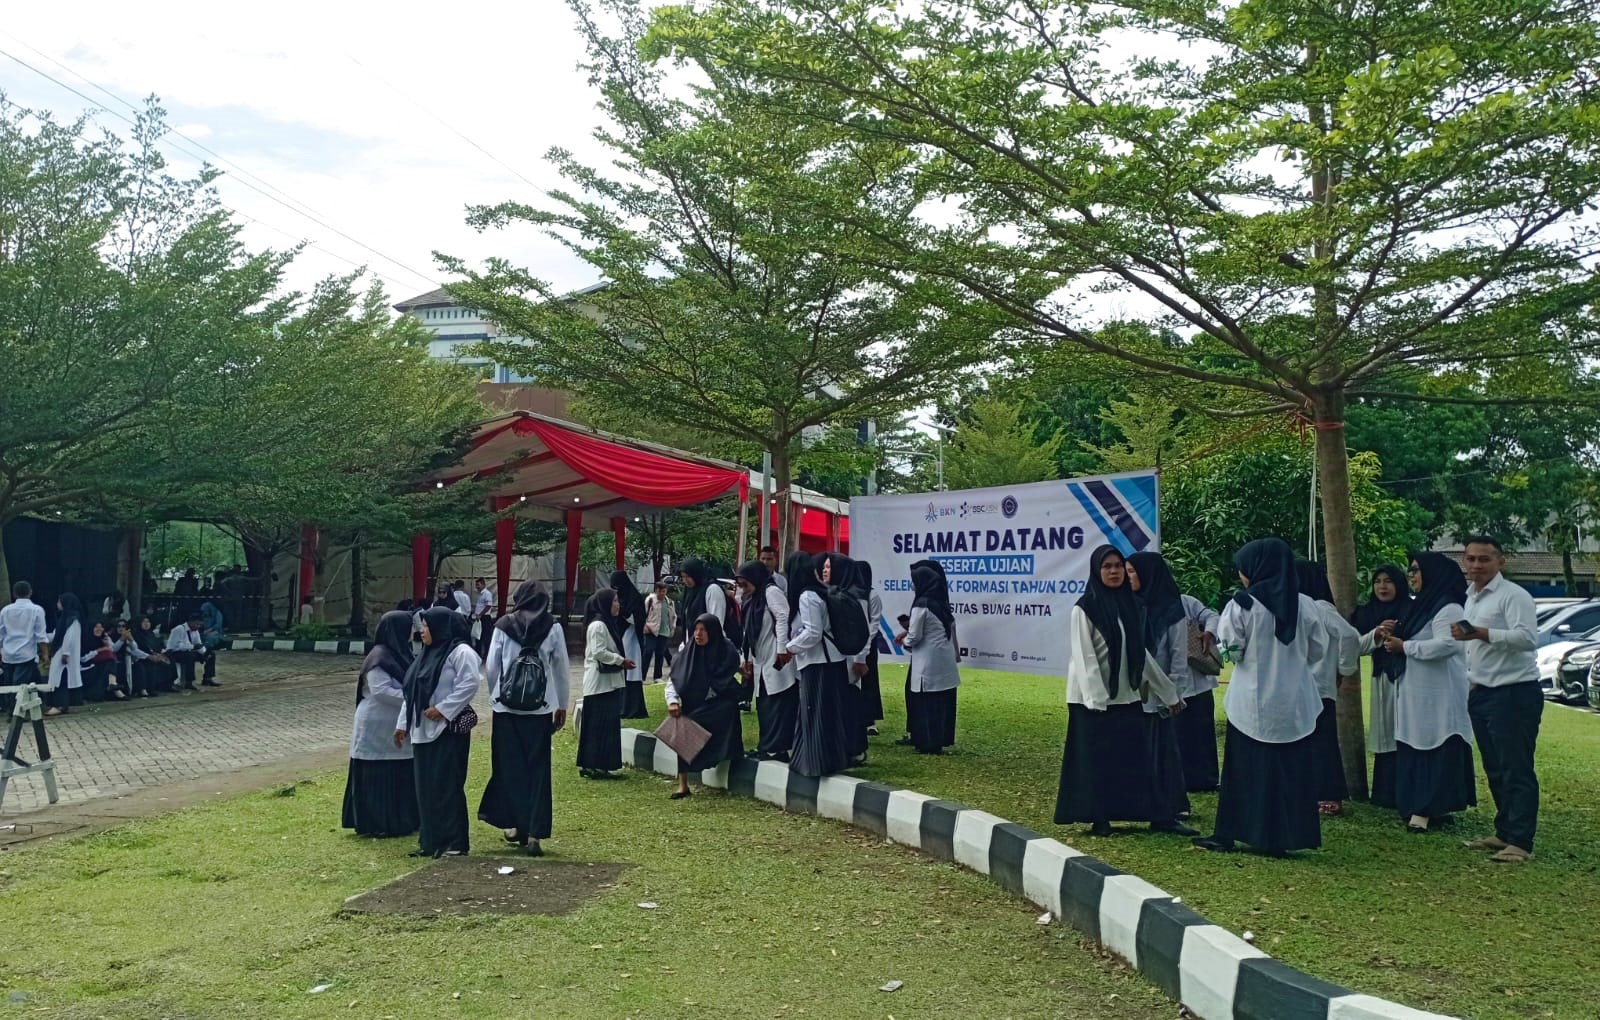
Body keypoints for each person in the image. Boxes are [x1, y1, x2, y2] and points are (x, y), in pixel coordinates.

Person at [1193, 538, 1328, 856]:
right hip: (1294, 701)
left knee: (1243, 771)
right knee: (1290, 771)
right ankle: (1284, 837)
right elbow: (1319, 650)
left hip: (1252, 702)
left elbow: (1232, 652)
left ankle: (1230, 833)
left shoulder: (1242, 604)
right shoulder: (1306, 604)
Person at [1054, 546, 1190, 837]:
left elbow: (1139, 656)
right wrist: (1096, 699)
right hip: (1092, 701)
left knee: (1136, 759)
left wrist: (1168, 693)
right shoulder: (1085, 607)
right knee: (1096, 762)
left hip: (1125, 696)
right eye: (1108, 567)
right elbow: (1085, 656)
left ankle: (1159, 816)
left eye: (1118, 566)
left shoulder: (1129, 604)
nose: (1115, 572)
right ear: (1096, 571)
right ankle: (1099, 818)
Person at [1379, 553, 1476, 833]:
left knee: (1437, 745)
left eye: (1417, 571)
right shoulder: (1422, 606)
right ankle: (1422, 806)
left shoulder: (1450, 608)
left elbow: (1449, 645)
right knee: (1416, 744)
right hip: (1416, 691)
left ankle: (1424, 810)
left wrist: (1405, 647)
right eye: (1410, 571)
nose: (1412, 576)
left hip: (1439, 693)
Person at [1458, 536, 1541, 864]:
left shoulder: (1513, 596)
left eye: (1484, 559)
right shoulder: (1472, 597)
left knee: (1515, 766)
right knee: (1495, 766)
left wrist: (1480, 632)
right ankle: (1504, 831)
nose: (1476, 565)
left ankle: (1521, 841)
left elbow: (1527, 639)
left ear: (1500, 562)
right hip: (1481, 692)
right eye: (1471, 559)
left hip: (1514, 693)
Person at [478, 581, 570, 856]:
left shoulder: (503, 626)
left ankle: (515, 824)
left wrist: (498, 696)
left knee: (509, 768)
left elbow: (492, 666)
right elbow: (562, 668)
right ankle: (534, 834)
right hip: (540, 710)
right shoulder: (553, 628)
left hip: (506, 711)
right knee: (538, 771)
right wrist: (561, 705)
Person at [1127, 551, 1218, 813]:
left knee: (1190, 737)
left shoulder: (1178, 606)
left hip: (1183, 685)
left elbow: (1178, 658)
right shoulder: (1131, 605)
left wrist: (1208, 631)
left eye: (1132, 571)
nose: (1127, 576)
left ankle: (1196, 783)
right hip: (1144, 691)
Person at [395, 605, 481, 858]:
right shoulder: (425, 654)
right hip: (423, 731)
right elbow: (411, 692)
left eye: (426, 626)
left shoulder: (460, 652)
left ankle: (454, 842)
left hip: (447, 731)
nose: (422, 631)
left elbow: (470, 683)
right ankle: (430, 841)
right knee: (425, 788)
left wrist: (443, 709)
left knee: (446, 786)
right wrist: (403, 724)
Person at [343, 611, 421, 839]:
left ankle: (401, 820)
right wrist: (413, 697)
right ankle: (376, 822)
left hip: (396, 721)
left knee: (399, 770)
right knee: (377, 772)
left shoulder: (401, 653)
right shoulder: (379, 657)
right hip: (377, 722)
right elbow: (380, 691)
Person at [1296, 560, 1360, 815]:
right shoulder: (1301, 607)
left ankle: (1329, 795)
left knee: (1322, 742)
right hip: (1306, 686)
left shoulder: (1320, 608)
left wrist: (1343, 670)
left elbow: (1350, 636)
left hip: (1319, 685)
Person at [665, 613, 746, 798]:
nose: (698, 634)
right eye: (696, 629)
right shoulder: (687, 652)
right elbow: (674, 679)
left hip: (721, 703)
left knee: (700, 720)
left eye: (703, 630)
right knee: (683, 725)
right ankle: (683, 785)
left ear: (713, 632)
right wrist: (672, 701)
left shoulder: (726, 650)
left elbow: (729, 675)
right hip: (695, 703)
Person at [784, 551, 849, 777]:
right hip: (830, 661)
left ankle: (814, 762)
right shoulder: (820, 592)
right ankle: (820, 759)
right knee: (823, 713)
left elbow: (813, 632)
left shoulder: (807, 597)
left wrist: (789, 649)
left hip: (819, 663)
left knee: (814, 712)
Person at [1351, 565, 1411, 808]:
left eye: (1388, 581)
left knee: (1406, 733)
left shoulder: (1411, 610)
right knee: (1385, 732)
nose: (1382, 586)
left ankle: (1406, 791)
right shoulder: (1366, 612)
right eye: (1378, 581)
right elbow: (1354, 646)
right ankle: (1384, 794)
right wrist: (1377, 633)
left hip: (1409, 678)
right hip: (1382, 678)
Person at [737, 561, 797, 761]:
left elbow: (782, 616)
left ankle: (777, 748)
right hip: (761, 657)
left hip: (775, 655)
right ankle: (766, 746)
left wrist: (781, 648)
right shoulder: (754, 598)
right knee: (764, 703)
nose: (743, 589)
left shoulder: (771, 592)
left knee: (777, 703)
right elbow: (750, 632)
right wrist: (748, 658)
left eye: (745, 584)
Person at [898, 562, 961, 754]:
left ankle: (927, 742)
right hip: (943, 659)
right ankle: (938, 741)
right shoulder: (939, 601)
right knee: (941, 703)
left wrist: (904, 641)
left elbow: (915, 636)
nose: (912, 585)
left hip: (927, 660)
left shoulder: (921, 605)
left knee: (926, 703)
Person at [578, 588, 633, 779]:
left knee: (602, 725)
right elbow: (598, 652)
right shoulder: (598, 626)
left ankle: (598, 764)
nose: (618, 605)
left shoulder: (606, 624)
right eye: (615, 601)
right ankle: (595, 765)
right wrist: (621, 661)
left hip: (607, 684)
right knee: (598, 726)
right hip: (600, 684)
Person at [826, 552, 871, 765]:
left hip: (851, 660)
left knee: (850, 705)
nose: (825, 571)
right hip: (838, 660)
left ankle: (854, 749)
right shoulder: (835, 593)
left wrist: (860, 659)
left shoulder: (856, 596)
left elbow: (863, 631)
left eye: (829, 568)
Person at [1, 581, 50, 716]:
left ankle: (41, 704)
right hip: (26, 653)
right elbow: (41, 635)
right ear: (30, 592)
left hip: (8, 653)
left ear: (14, 594)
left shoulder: (5, 611)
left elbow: (1, 633)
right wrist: (45, 654)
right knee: (20, 685)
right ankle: (15, 712)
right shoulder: (37, 610)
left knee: (11, 683)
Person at [610, 570, 650, 720]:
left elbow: (638, 619)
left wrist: (624, 612)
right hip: (620, 638)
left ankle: (632, 708)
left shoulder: (634, 598)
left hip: (631, 639)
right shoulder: (617, 598)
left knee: (631, 673)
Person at [854, 559, 886, 736]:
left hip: (868, 644)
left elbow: (874, 623)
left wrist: (866, 642)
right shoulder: (849, 593)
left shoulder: (872, 596)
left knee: (869, 679)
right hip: (852, 644)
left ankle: (870, 720)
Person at [44, 593, 85, 717]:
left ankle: (60, 705)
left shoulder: (73, 619)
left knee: (61, 679)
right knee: (60, 679)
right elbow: (56, 635)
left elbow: (69, 637)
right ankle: (62, 704)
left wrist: (66, 653)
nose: (57, 604)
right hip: (61, 652)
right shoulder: (65, 618)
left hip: (64, 654)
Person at [165, 613, 220, 689]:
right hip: (174, 652)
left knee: (211, 654)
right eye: (197, 624)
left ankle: (208, 678)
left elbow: (198, 644)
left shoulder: (195, 631)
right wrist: (193, 647)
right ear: (190, 622)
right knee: (190, 656)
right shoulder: (179, 629)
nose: (198, 626)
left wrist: (204, 653)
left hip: (189, 651)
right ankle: (189, 681)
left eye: (200, 625)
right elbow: (176, 646)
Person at [678, 558, 726, 644]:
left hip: (708, 648)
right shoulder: (691, 592)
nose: (685, 580)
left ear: (696, 574)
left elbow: (716, 624)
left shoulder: (712, 590)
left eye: (688, 576)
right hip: (692, 647)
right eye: (683, 577)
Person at [121, 618, 168, 698]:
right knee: (146, 665)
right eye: (144, 622)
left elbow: (156, 646)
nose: (146, 624)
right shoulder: (136, 634)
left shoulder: (151, 634)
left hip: (150, 656)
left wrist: (159, 654)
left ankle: (163, 686)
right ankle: (144, 689)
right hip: (138, 658)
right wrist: (149, 656)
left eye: (148, 622)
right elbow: (136, 650)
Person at [79, 621, 125, 702]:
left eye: (101, 627)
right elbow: (83, 659)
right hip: (85, 669)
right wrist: (98, 650)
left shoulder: (103, 638)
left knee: (109, 663)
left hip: (99, 666)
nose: (99, 629)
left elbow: (112, 650)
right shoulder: (85, 640)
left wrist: (106, 644)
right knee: (109, 664)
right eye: (96, 627)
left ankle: (111, 685)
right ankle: (113, 685)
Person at [642, 582, 676, 681]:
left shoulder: (669, 602)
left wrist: (672, 628)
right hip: (651, 629)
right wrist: (645, 625)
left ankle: (657, 676)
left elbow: (673, 616)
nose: (661, 593)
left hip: (664, 631)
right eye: (659, 591)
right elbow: (643, 613)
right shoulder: (650, 600)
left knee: (660, 654)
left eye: (663, 591)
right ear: (656, 590)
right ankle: (642, 675)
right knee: (648, 652)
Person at [472, 578, 496, 656]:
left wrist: (480, 614)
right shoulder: (480, 594)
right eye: (476, 585)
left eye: (478, 585)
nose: (477, 587)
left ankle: (486, 655)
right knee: (478, 636)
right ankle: (478, 653)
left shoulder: (487, 593)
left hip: (485, 617)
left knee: (485, 637)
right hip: (479, 617)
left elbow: (488, 606)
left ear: (483, 585)